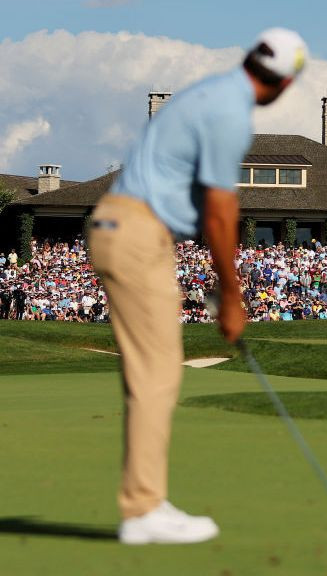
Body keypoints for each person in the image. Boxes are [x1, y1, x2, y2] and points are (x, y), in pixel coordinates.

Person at [87, 28, 307, 545]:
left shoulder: (208, 93)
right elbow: (221, 208)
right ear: (285, 84)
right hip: (138, 231)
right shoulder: (231, 112)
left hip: (125, 226)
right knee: (158, 373)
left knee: (151, 373)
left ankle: (144, 505)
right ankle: (143, 510)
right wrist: (231, 294)